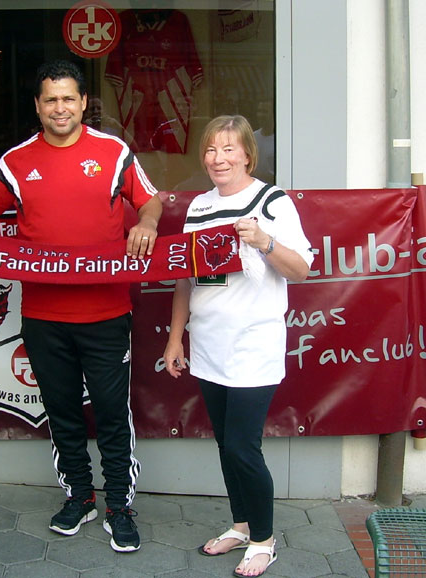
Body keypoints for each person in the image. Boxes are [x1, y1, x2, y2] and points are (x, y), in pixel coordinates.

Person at [0, 59, 162, 553]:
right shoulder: (17, 161)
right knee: (62, 411)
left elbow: (150, 200)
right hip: (44, 316)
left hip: (107, 312)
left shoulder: (113, 152)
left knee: (111, 412)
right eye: (51, 99)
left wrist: (147, 223)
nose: (60, 108)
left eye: (69, 98)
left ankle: (119, 505)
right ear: (38, 106)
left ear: (84, 102)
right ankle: (78, 497)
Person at [162, 115, 312, 577]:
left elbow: (301, 269)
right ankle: (243, 525)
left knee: (244, 448)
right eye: (210, 149)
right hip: (208, 345)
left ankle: (265, 541)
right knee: (226, 444)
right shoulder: (199, 207)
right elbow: (186, 281)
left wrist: (264, 241)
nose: (218, 158)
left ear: (248, 153)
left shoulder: (272, 201)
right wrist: (175, 338)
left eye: (229, 149)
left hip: (253, 345)